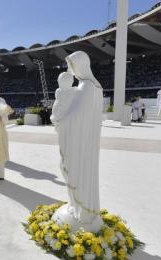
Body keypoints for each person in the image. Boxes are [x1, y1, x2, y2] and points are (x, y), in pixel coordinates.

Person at [50, 51, 104, 232]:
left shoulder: (87, 87)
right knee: (71, 171)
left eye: (73, 66)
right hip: (82, 140)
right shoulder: (91, 85)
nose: (71, 71)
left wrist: (59, 121)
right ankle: (77, 204)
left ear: (80, 65)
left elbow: (76, 115)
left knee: (72, 170)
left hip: (78, 141)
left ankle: (81, 208)